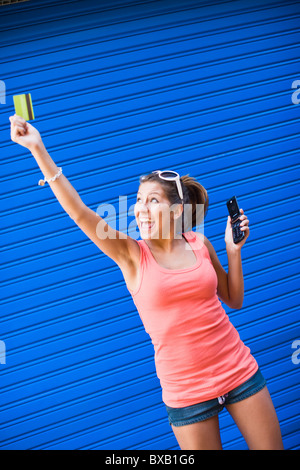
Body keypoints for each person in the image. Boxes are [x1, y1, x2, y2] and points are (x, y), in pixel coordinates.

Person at [9, 115, 284, 450]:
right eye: (138, 201)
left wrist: (232, 250)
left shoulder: (200, 243)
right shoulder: (131, 254)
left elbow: (234, 299)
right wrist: (37, 148)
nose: (140, 209)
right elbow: (81, 212)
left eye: (152, 200)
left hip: (238, 370)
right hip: (186, 392)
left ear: (178, 210)